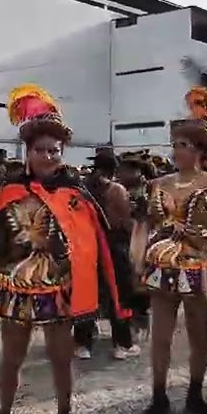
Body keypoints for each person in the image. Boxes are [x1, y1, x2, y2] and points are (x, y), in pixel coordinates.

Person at [0, 85, 133, 414]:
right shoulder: (9, 192)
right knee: (12, 360)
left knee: (62, 359)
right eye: (41, 150)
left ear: (62, 154)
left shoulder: (76, 195)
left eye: (54, 151)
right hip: (14, 289)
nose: (48, 156)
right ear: (28, 152)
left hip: (60, 290)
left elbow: (96, 247)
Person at [137, 87, 207, 414]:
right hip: (162, 264)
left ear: (200, 151)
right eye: (175, 144)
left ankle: (195, 393)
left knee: (197, 333)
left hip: (197, 268)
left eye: (184, 145)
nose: (177, 151)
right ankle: (159, 396)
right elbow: (151, 223)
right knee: (160, 335)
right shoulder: (160, 183)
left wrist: (192, 234)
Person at [73, 147, 139, 360]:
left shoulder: (81, 190)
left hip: (86, 247)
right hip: (113, 248)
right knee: (118, 295)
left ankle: (83, 345)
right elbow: (124, 221)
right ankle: (122, 344)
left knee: (87, 293)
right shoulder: (117, 190)